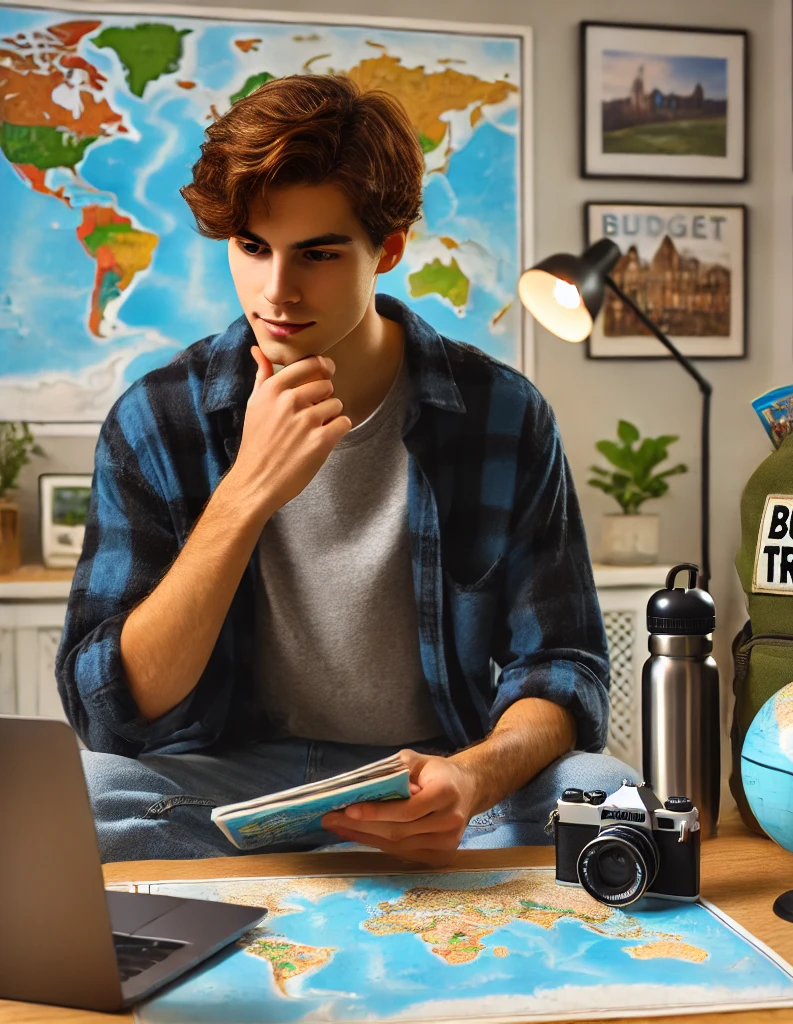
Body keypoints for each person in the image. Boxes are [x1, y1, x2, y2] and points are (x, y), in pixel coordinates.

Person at [56, 74, 633, 865]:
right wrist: (247, 491)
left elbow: (562, 665)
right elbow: (112, 714)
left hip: (433, 770)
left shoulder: (504, 411)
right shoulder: (158, 417)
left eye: (317, 254)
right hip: (233, 779)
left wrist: (469, 778)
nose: (276, 291)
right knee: (82, 798)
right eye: (252, 249)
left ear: (387, 249)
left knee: (605, 793)